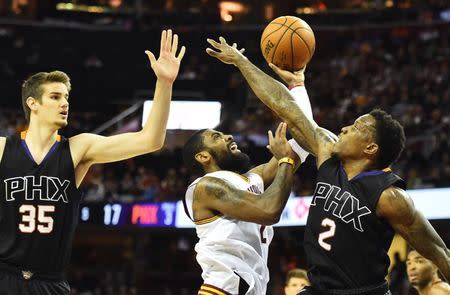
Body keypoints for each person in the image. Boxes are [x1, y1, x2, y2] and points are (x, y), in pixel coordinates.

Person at [205, 36, 450, 295]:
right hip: (320, 289)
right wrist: (242, 62)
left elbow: (440, 252)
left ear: (370, 149)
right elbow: (285, 106)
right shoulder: (327, 152)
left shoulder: (390, 197)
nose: (345, 128)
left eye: (357, 128)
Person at [0, 29, 185, 294]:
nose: (65, 103)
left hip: (49, 282)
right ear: (33, 103)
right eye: (55, 97)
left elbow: (150, 141)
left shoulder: (78, 148)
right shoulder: (3, 149)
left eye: (66, 97)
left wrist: (164, 83)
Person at [182, 122, 308, 295]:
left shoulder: (253, 178)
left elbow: (299, 146)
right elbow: (269, 211)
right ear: (203, 156)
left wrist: (302, 120)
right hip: (224, 286)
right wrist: (285, 160)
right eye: (216, 137)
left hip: (251, 285)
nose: (229, 136)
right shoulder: (206, 186)